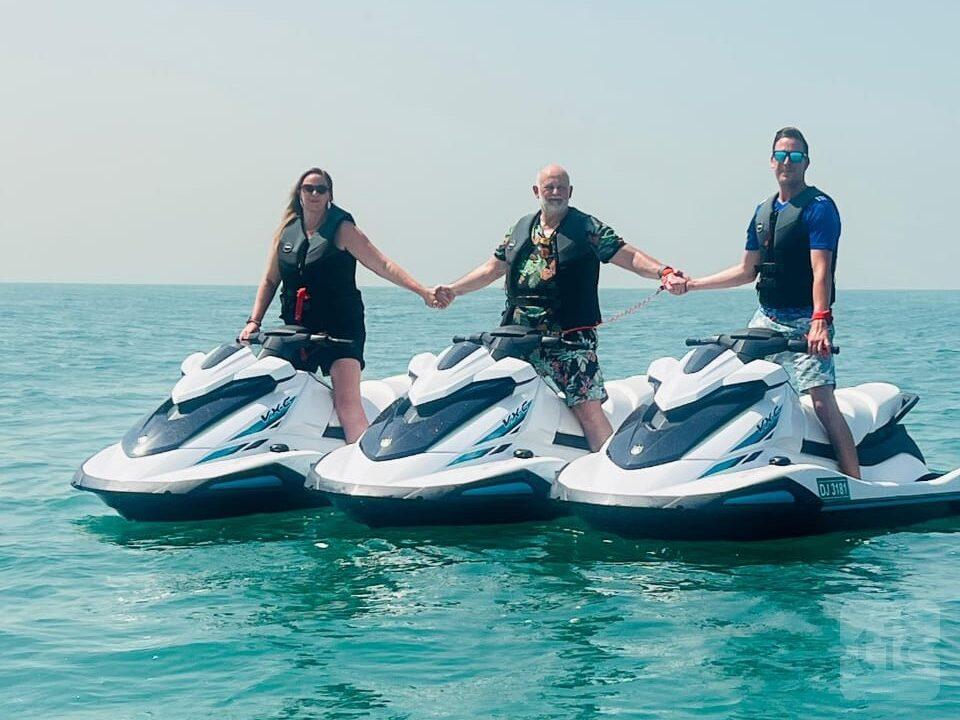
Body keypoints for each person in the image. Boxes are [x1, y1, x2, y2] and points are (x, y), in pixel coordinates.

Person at [434, 164, 685, 452]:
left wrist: (664, 272)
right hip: (517, 336)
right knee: (490, 393)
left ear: (570, 192)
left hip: (569, 340)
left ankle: (607, 464)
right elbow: (492, 269)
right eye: (549, 187)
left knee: (587, 409)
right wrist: (454, 289)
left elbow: (628, 256)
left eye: (561, 187)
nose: (555, 193)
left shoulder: (586, 228)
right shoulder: (520, 228)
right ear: (536, 191)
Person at [676, 127, 860, 478]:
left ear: (806, 162)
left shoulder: (819, 208)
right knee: (736, 383)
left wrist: (820, 320)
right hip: (767, 318)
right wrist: (693, 285)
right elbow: (746, 271)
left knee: (821, 401)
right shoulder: (763, 211)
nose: (787, 162)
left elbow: (821, 270)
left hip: (807, 319)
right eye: (781, 155)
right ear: (771, 161)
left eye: (795, 156)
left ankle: (856, 481)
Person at [239, 167, 440, 443]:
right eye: (308, 188)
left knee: (346, 403)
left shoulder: (343, 229)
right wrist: (254, 322)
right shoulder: (287, 232)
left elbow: (382, 264)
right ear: (299, 193)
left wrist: (422, 291)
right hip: (297, 330)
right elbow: (270, 280)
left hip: (341, 329)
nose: (314, 193)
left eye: (320, 189)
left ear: (329, 195)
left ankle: (363, 457)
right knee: (266, 388)